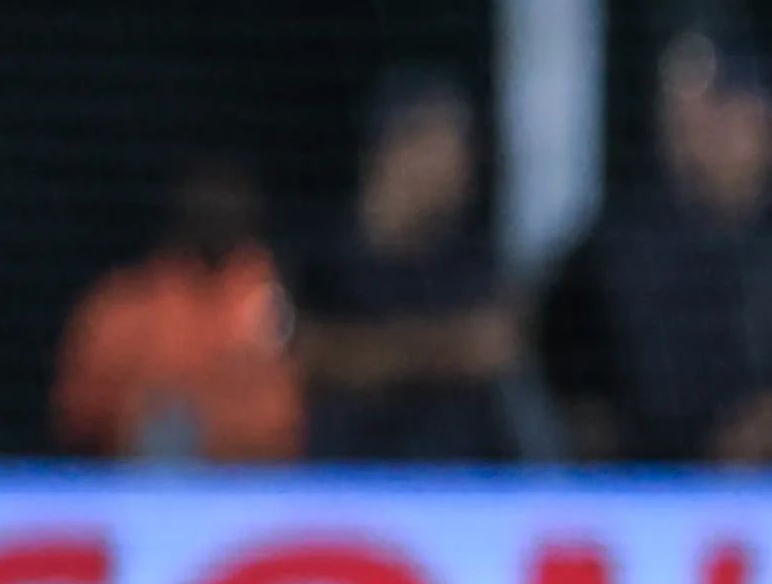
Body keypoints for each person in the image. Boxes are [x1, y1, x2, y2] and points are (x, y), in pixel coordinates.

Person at [543, 36, 772, 462]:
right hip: (647, 496)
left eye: (722, 119)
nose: (698, 138)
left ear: (767, 124)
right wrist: (594, 430)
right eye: (685, 121)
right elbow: (556, 349)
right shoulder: (618, 241)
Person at [295, 69, 521, 462]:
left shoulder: (475, 258)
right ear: (398, 149)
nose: (463, 171)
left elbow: (496, 344)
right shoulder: (320, 253)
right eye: (448, 151)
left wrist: (373, 352)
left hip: (462, 488)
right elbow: (308, 357)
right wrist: (445, 348)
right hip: (346, 485)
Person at [51, 157, 301, 463]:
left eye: (229, 195)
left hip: (267, 492)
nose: (219, 208)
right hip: (141, 492)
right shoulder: (123, 307)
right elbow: (78, 418)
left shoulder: (282, 299)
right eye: (208, 195)